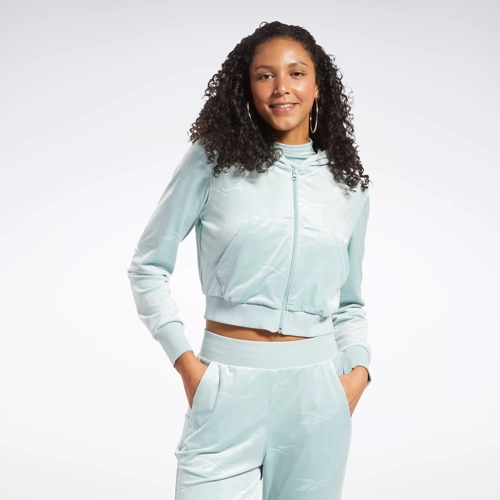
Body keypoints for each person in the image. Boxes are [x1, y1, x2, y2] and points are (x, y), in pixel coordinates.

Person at [127, 20, 373, 500]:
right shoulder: (213, 161)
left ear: (318, 86)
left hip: (318, 396)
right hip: (226, 386)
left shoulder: (348, 186)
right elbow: (147, 266)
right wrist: (187, 365)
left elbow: (350, 302)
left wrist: (358, 372)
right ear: (248, 87)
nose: (282, 87)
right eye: (265, 75)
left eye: (296, 73)